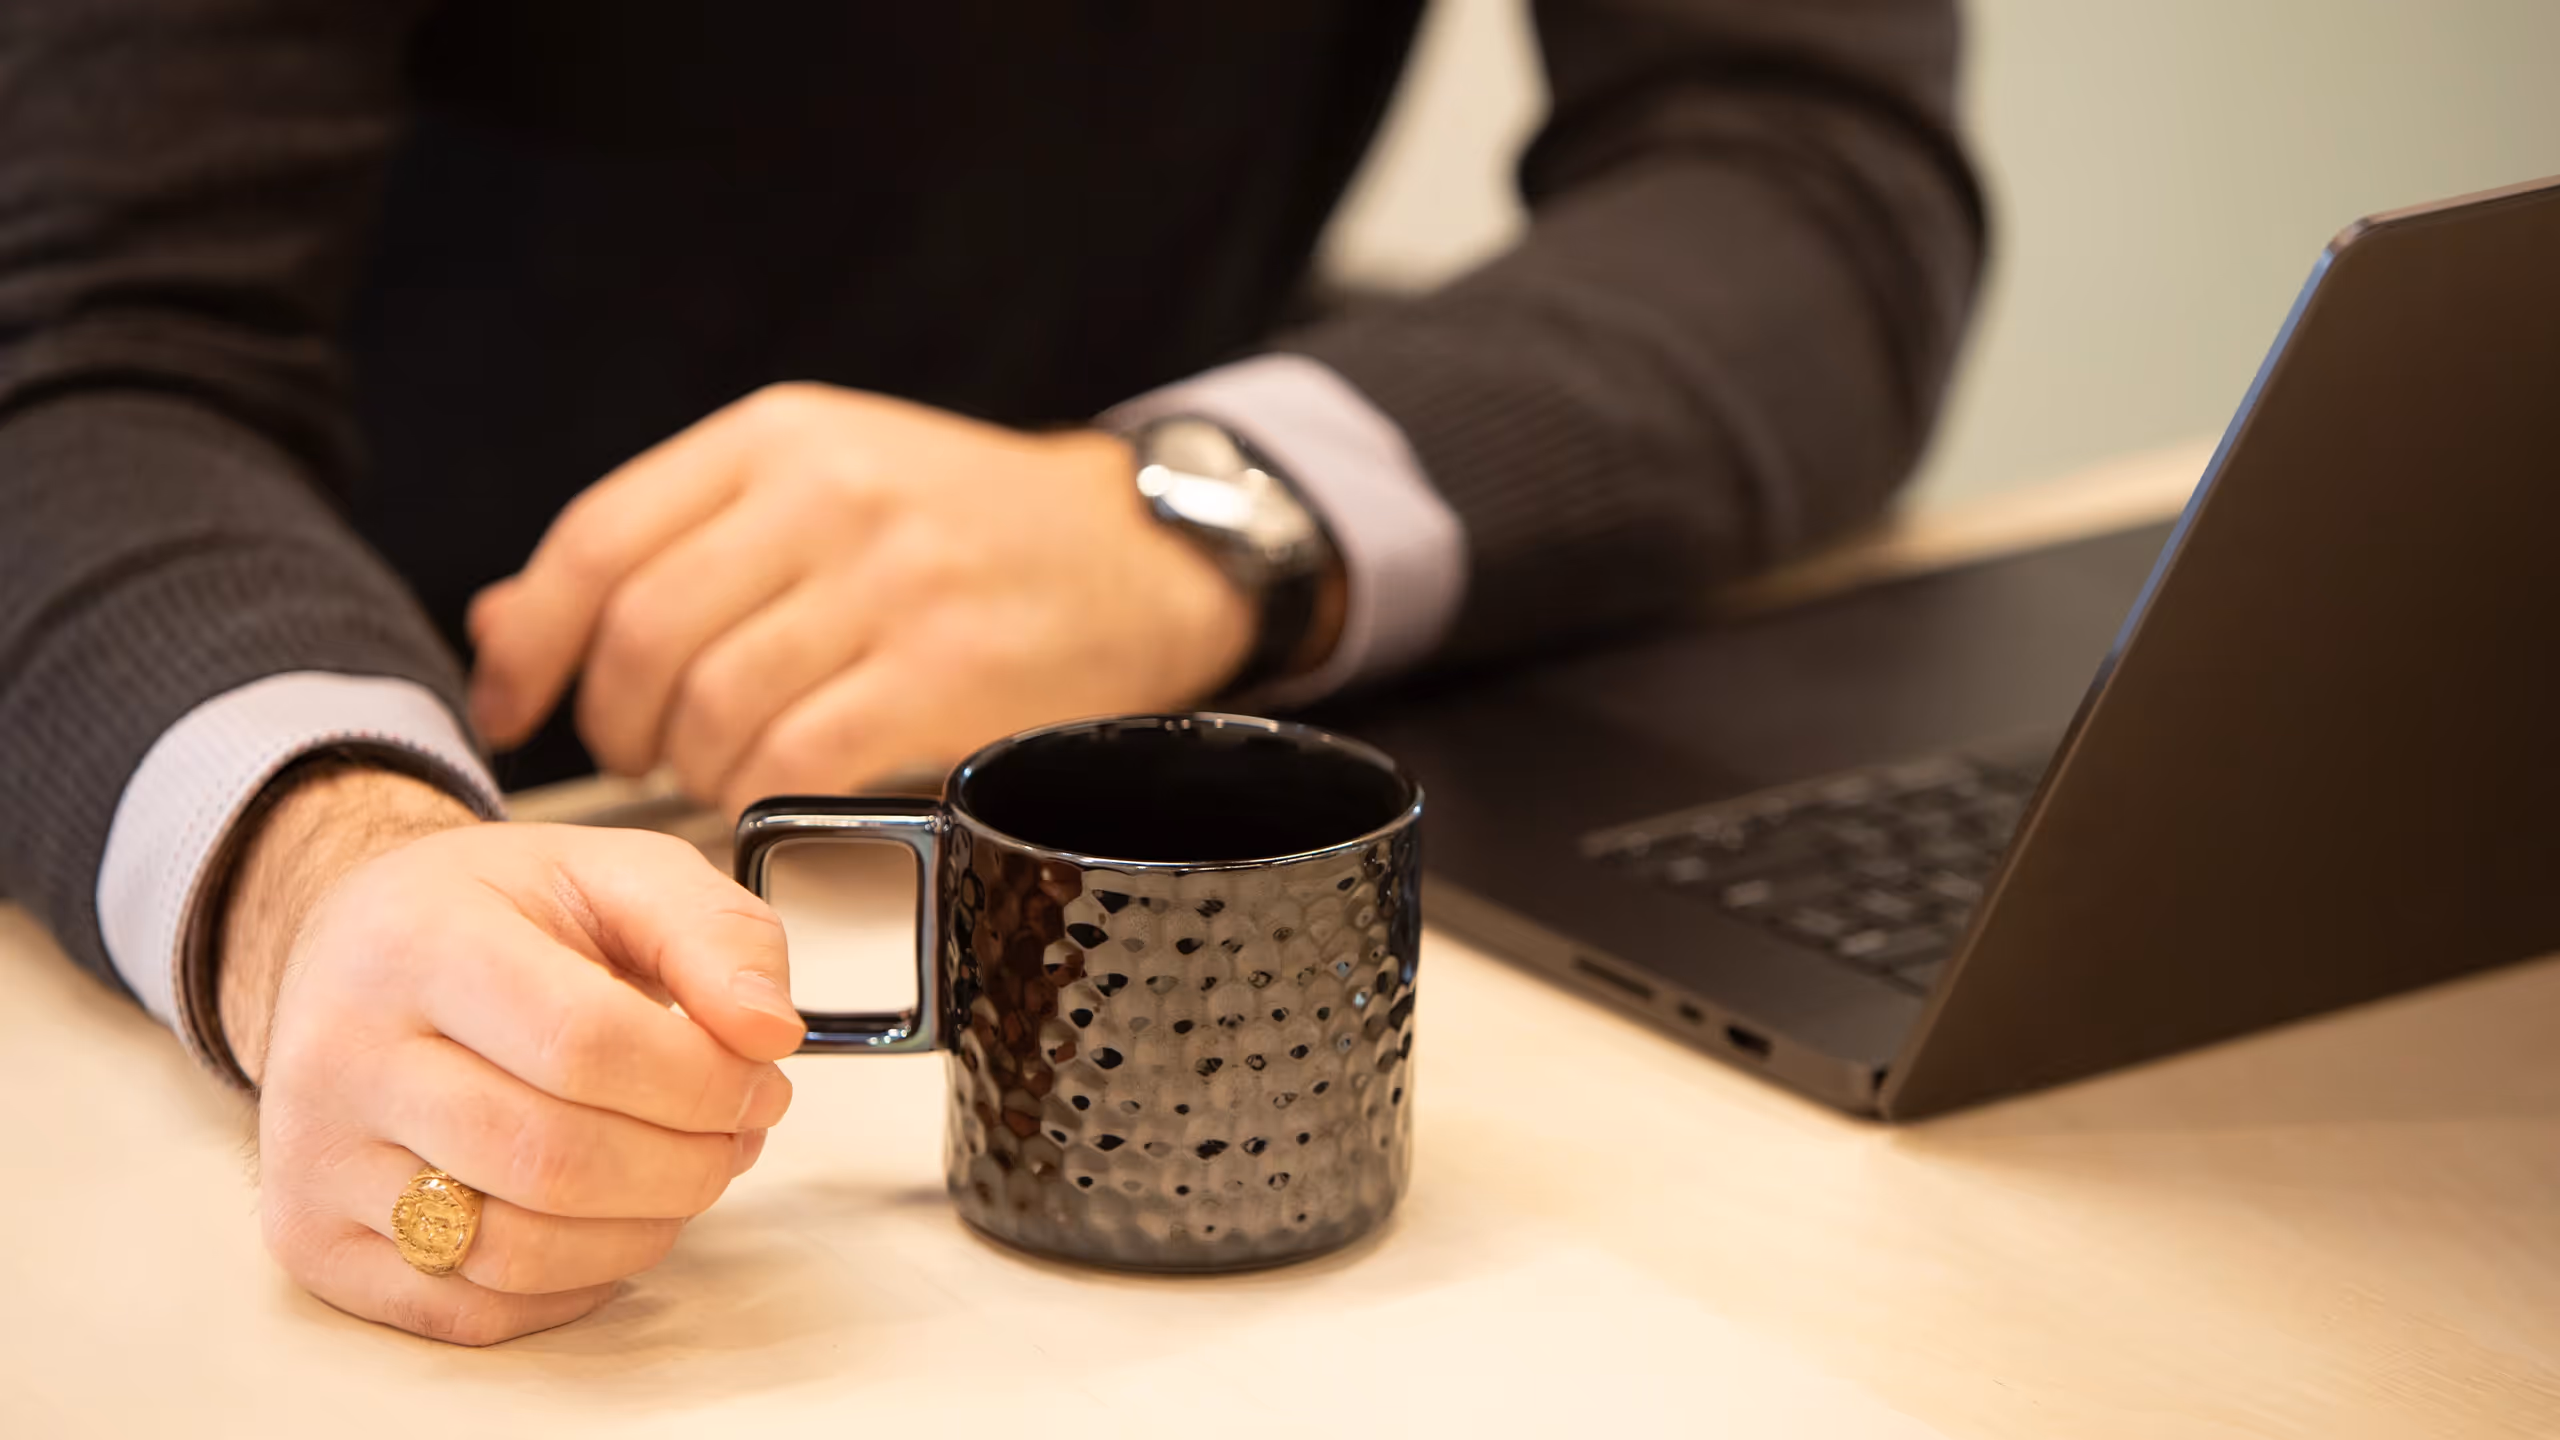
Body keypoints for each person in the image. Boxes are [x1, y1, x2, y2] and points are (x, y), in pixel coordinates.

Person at [0, 1, 1981, 1343]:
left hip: (1203, 671)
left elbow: (1798, 172)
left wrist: (1208, 509)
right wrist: (316, 867)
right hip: (449, 770)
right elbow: (65, 342)